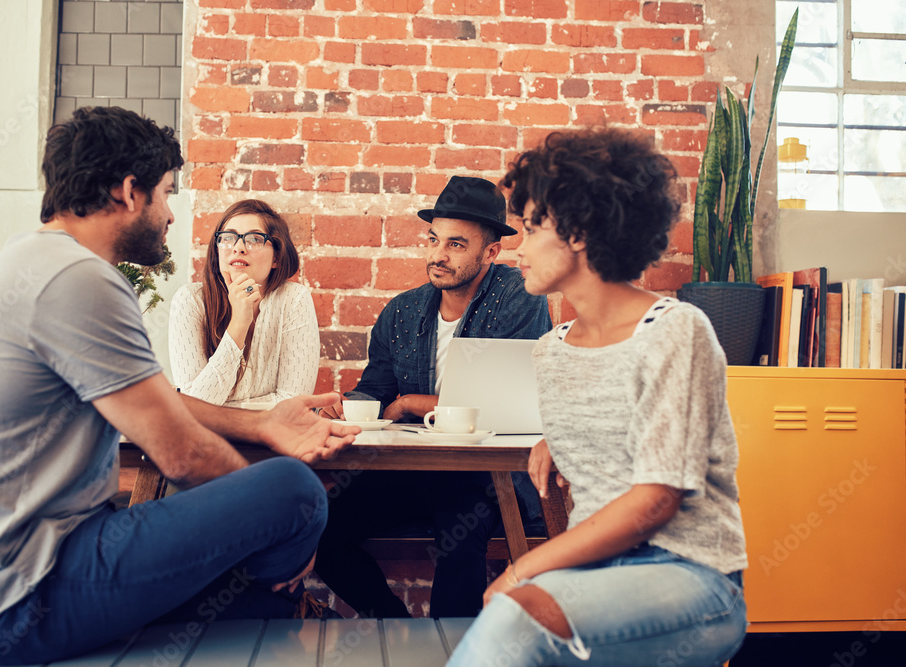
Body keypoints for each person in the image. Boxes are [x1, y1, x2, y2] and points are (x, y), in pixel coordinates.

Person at [0, 106, 358, 665]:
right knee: (294, 493)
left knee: (247, 559)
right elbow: (184, 455)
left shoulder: (31, 263)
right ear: (128, 192)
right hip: (12, 602)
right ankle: (274, 614)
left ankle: (254, 622)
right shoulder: (80, 279)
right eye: (166, 193)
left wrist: (261, 423)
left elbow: (156, 403)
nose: (171, 214)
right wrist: (280, 526)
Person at [447, 129, 748, 666]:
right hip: (596, 579)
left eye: (534, 227)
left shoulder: (677, 331)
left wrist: (522, 571)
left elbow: (655, 499)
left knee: (513, 619)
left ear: (580, 231)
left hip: (689, 579)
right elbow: (595, 468)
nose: (517, 248)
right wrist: (557, 441)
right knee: (514, 622)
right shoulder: (551, 351)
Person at [314, 176, 553, 619]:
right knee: (319, 530)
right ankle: (398, 630)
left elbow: (500, 400)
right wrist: (344, 408)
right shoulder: (402, 311)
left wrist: (411, 405)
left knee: (459, 535)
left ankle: (452, 650)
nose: (438, 255)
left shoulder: (518, 297)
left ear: (490, 252)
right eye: (433, 239)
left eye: (457, 245)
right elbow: (376, 390)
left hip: (483, 475)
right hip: (413, 470)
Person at [168, 199, 318, 407]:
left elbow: (294, 404)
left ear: (277, 257)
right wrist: (239, 322)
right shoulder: (190, 300)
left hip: (274, 439)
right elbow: (195, 407)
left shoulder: (294, 299)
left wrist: (221, 409)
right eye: (228, 238)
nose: (238, 248)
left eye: (254, 239)